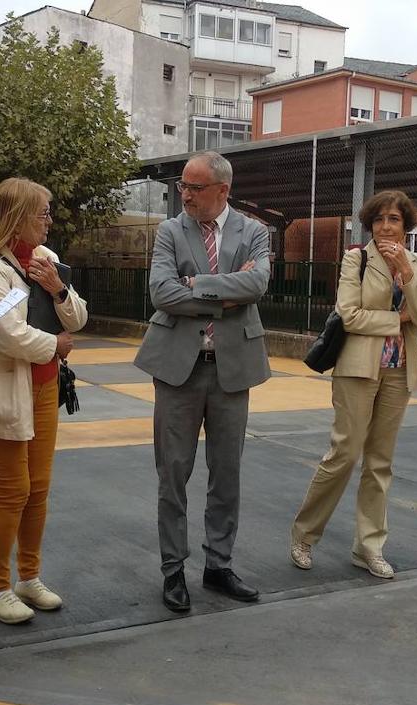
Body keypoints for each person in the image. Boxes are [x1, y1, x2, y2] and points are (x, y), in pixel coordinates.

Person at [133, 151, 271, 612]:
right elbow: (162, 293)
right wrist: (224, 295)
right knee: (173, 474)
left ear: (222, 190)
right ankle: (173, 570)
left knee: (226, 474)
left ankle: (218, 565)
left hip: (232, 370)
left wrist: (197, 286)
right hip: (178, 370)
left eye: (194, 187)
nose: (183, 195)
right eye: (183, 186)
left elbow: (257, 287)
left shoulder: (254, 231)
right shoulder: (171, 231)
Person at [289, 190, 417, 579]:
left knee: (380, 463)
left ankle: (369, 547)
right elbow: (350, 315)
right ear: (369, 224)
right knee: (344, 454)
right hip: (357, 369)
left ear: (407, 225)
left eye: (393, 219)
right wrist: (398, 320)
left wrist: (406, 276)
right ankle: (305, 534)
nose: (386, 226)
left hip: (399, 370)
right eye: (379, 220)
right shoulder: (356, 259)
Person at [0, 178, 87, 625]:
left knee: (38, 491)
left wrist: (59, 290)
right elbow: (9, 335)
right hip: (3, 393)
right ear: (17, 216)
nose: (49, 221)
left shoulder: (45, 260)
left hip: (44, 389)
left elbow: (79, 317)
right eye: (43, 213)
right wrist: (56, 345)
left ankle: (29, 578)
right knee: (12, 491)